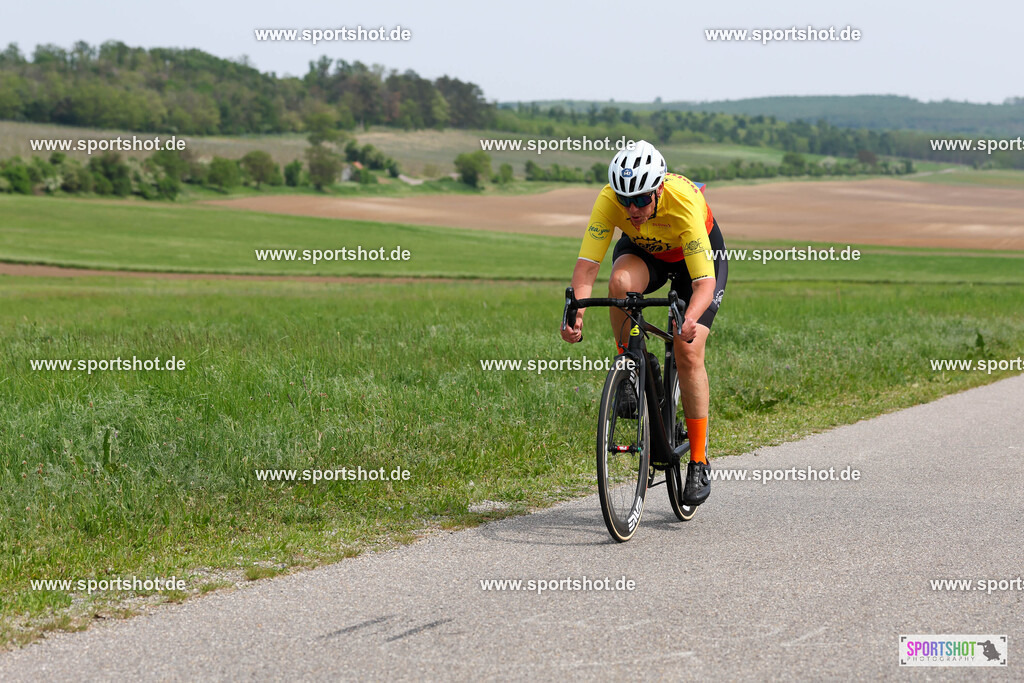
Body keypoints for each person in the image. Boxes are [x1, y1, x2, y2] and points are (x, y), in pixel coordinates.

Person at [561, 140, 728, 505]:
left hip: (693, 263)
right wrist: (576, 313)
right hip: (645, 252)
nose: (632, 209)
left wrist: (691, 321)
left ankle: (699, 460)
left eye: (640, 200)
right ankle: (633, 363)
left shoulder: (682, 203)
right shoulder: (610, 200)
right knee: (620, 285)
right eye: (625, 201)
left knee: (688, 347)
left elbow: (703, 284)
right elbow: (588, 266)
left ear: (658, 189)